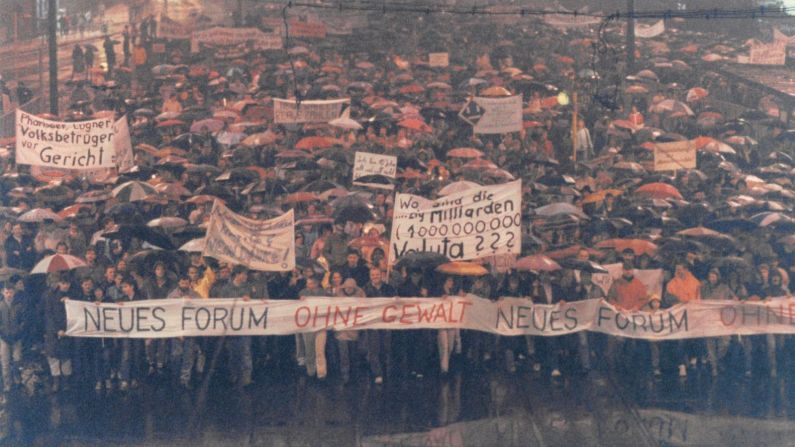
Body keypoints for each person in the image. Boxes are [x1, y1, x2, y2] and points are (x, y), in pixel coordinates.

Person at [363, 268, 396, 384]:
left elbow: (395, 303)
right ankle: (377, 373)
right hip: (373, 324)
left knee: (386, 348)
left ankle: (386, 372)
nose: (375, 276)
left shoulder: (389, 288)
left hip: (386, 323)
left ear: (381, 275)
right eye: (373, 275)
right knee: (374, 349)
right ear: (370, 276)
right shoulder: (365, 289)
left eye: (377, 274)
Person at [44, 275, 74, 393]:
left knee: (66, 357)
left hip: (68, 330)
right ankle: (56, 382)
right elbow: (49, 315)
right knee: (54, 357)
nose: (65, 285)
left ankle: (66, 382)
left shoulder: (72, 295)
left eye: (67, 283)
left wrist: (70, 302)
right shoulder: (50, 296)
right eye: (63, 283)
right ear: (58, 283)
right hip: (54, 331)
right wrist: (57, 330)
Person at [298, 276, 328, 380]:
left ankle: (321, 373)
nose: (309, 285)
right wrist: (300, 300)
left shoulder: (323, 293)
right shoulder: (303, 292)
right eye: (308, 283)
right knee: (309, 350)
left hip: (320, 325)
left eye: (311, 283)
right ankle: (310, 371)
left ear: (316, 284)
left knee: (319, 350)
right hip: (308, 325)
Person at [0, 284, 25, 392]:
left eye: (10, 292)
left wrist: (18, 332)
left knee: (17, 360)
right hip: (4, 338)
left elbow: (23, 321)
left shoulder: (19, 305)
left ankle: (17, 378)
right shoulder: (0, 306)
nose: (9, 295)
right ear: (3, 293)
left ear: (14, 293)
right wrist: (3, 334)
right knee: (5, 362)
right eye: (6, 292)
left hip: (16, 338)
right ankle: (7, 384)